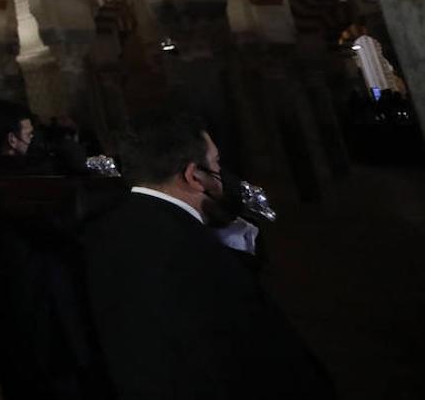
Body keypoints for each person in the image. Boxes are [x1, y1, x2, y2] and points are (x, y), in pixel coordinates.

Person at [83, 109, 335, 400]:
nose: (222, 173)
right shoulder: (193, 253)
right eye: (216, 163)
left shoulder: (107, 227)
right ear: (194, 176)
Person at [0, 102, 107, 400]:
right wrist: (81, 173)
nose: (34, 141)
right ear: (11, 140)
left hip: (6, 322)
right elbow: (65, 227)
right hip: (45, 322)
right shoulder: (25, 185)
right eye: (28, 135)